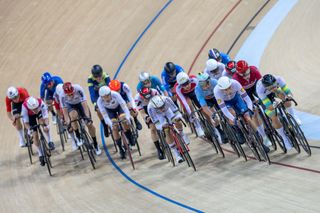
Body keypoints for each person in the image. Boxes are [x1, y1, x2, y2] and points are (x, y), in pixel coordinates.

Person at [214, 77, 269, 152]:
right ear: (221, 89)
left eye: (229, 88)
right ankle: (238, 130)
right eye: (225, 89)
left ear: (231, 84)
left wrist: (249, 109)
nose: (228, 90)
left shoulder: (235, 83)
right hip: (227, 103)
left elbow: (246, 98)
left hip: (236, 99)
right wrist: (233, 119)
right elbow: (224, 110)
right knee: (232, 114)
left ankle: (258, 138)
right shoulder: (217, 91)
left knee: (248, 118)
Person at [256, 74, 301, 150]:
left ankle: (293, 116)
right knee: (274, 116)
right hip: (265, 97)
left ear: (276, 82)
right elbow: (269, 106)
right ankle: (285, 138)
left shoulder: (279, 79)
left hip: (276, 92)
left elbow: (288, 92)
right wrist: (273, 106)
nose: (273, 88)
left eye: (274, 86)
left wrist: (289, 96)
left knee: (285, 97)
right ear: (266, 87)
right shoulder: (260, 89)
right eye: (270, 88)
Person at [232, 60, 271, 147]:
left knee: (265, 100)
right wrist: (251, 103)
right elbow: (241, 96)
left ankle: (270, 117)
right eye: (242, 74)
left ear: (249, 68)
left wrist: (263, 98)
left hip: (255, 87)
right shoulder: (235, 79)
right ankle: (264, 137)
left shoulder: (254, 70)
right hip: (245, 93)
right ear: (238, 73)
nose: (245, 76)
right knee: (254, 113)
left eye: (246, 72)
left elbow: (262, 85)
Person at [60, 82, 101, 155]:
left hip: (80, 104)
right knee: (72, 116)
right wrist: (68, 123)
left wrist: (87, 118)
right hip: (70, 106)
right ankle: (78, 135)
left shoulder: (78, 89)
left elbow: (84, 105)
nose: (71, 96)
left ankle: (95, 143)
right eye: (68, 95)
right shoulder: (62, 95)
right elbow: (65, 112)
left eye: (72, 94)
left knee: (89, 124)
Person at [148, 95, 190, 163]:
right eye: (159, 108)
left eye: (162, 106)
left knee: (177, 120)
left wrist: (178, 117)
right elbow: (157, 124)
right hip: (159, 116)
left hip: (169, 111)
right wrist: (162, 126)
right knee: (166, 130)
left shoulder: (167, 99)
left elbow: (176, 111)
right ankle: (176, 154)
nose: (162, 109)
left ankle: (182, 134)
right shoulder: (150, 108)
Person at [97, 86, 135, 159]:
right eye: (104, 97)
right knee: (114, 127)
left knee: (123, 119)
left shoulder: (116, 94)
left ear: (110, 93)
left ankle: (129, 135)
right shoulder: (99, 101)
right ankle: (120, 148)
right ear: (101, 97)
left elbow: (124, 107)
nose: (106, 98)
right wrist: (112, 125)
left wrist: (127, 118)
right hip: (109, 111)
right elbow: (105, 116)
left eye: (107, 96)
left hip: (119, 107)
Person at [21, 97, 55, 166]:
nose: (35, 110)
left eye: (36, 108)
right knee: (35, 136)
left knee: (44, 124)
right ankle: (40, 154)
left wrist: (46, 125)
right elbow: (26, 123)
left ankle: (50, 141)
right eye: (34, 109)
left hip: (40, 113)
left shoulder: (40, 103)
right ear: (30, 108)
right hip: (30, 117)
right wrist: (30, 130)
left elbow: (46, 117)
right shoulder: (24, 107)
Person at [194, 72, 226, 143]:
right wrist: (212, 115)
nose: (206, 86)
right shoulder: (198, 90)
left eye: (207, 83)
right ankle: (220, 131)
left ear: (210, 80)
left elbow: (223, 95)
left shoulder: (215, 82)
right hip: (207, 101)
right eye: (202, 84)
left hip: (217, 97)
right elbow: (204, 107)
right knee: (214, 117)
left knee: (225, 110)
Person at [134, 87, 165, 160]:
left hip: (156, 105)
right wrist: (146, 117)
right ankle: (159, 150)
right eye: (145, 98)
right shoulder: (137, 98)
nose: (147, 100)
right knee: (153, 128)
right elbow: (142, 112)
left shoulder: (154, 92)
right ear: (141, 96)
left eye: (149, 97)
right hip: (146, 110)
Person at [175, 72, 205, 137]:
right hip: (185, 96)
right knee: (189, 105)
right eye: (183, 85)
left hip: (195, 92)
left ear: (189, 80)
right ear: (180, 85)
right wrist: (191, 113)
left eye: (187, 83)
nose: (186, 86)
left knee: (202, 107)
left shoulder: (194, 79)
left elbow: (201, 92)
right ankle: (197, 125)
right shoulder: (177, 88)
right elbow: (183, 101)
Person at [53, 83, 78, 151]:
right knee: (67, 123)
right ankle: (73, 140)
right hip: (62, 107)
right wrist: (62, 118)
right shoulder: (56, 97)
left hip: (70, 103)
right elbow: (58, 109)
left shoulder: (66, 91)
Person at [87, 64, 111, 136]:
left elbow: (110, 87)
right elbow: (92, 93)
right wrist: (95, 104)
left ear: (102, 73)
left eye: (99, 76)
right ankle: (104, 125)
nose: (98, 78)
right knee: (98, 109)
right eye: (96, 77)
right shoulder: (90, 79)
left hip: (106, 92)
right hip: (97, 95)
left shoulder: (105, 75)